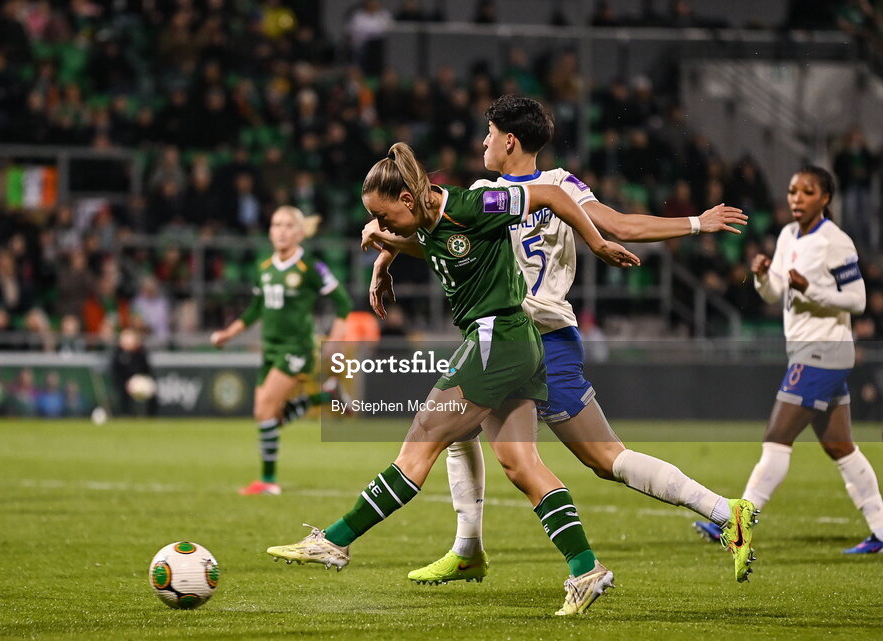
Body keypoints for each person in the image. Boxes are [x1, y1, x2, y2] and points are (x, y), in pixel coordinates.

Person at [363, 95, 758, 584]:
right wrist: (385, 255)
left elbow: (617, 227)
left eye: (488, 134)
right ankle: (467, 548)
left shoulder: (546, 188)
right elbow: (444, 243)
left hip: (541, 337)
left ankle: (724, 511)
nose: (482, 142)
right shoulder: (521, 188)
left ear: (509, 140)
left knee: (602, 457)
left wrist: (697, 222)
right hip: (508, 336)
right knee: (455, 428)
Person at [267, 142, 639, 616]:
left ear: (407, 199)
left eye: (385, 217)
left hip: (496, 339)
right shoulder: (427, 221)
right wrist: (385, 255)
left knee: (421, 439)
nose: (383, 226)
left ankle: (335, 541)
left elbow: (550, 196)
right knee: (522, 467)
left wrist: (596, 241)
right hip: (514, 344)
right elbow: (427, 242)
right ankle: (586, 570)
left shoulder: (470, 204)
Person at [694, 166, 883, 555]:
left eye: (807, 191)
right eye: (793, 190)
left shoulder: (836, 242)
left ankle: (738, 525)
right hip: (807, 350)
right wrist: (764, 277)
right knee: (839, 446)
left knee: (776, 438)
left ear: (825, 198)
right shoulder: (787, 236)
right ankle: (881, 530)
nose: (796, 198)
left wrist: (810, 288)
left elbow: (858, 301)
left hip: (823, 351)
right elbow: (773, 293)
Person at [211, 206, 353, 496]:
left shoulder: (311, 267)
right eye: (276, 224)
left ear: (300, 233)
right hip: (271, 348)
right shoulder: (264, 267)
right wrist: (229, 333)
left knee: (264, 410)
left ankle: (268, 481)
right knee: (268, 416)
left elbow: (343, 303)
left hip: (298, 347)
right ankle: (327, 395)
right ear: (270, 231)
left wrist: (335, 339)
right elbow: (254, 311)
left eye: (289, 225)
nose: (282, 230)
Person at [111, 327, 156, 417]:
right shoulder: (118, 354)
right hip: (123, 385)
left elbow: (146, 370)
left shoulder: (140, 353)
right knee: (123, 395)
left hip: (139, 382)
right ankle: (125, 414)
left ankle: (149, 415)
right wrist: (126, 383)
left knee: (149, 390)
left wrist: (140, 380)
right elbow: (116, 374)